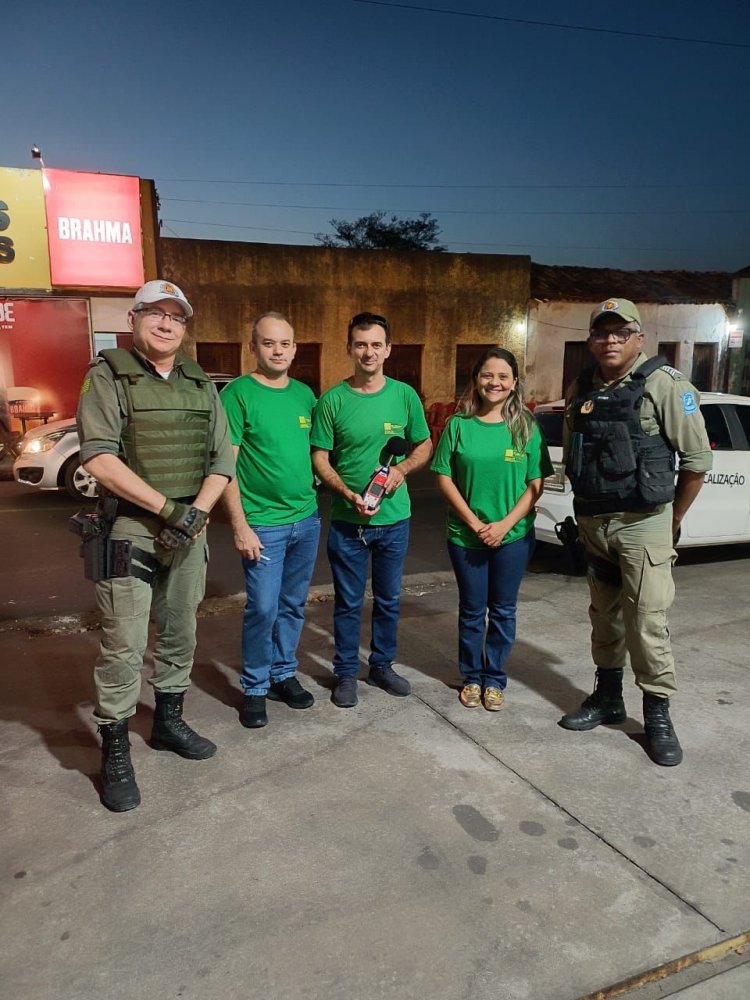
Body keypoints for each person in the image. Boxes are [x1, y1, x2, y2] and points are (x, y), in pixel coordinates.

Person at [76, 279, 234, 812]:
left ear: (185, 326)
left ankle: (168, 724)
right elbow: (98, 458)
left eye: (176, 316)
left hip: (188, 528)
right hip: (132, 530)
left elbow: (222, 459)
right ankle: (115, 751)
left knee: (181, 631)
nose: (166, 323)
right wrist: (168, 510)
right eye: (155, 313)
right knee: (123, 644)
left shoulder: (199, 382)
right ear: (134, 319)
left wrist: (195, 514)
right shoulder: (108, 375)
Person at [559, 297, 712, 766]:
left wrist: (672, 521)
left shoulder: (665, 385)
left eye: (620, 332)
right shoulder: (581, 385)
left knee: (646, 622)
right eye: (601, 333)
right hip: (594, 521)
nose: (610, 340)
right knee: (603, 617)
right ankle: (608, 698)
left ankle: (658, 715)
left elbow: (697, 462)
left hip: (644, 523)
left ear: (639, 338)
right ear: (590, 340)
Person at [311, 312, 432, 708]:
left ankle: (381, 665)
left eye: (376, 344)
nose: (368, 351)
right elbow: (320, 458)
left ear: (388, 349)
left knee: (388, 599)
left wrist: (400, 470)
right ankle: (346, 673)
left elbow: (424, 446)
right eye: (361, 344)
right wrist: (346, 493)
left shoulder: (404, 395)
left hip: (394, 520)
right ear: (350, 348)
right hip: (348, 523)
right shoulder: (332, 400)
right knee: (347, 603)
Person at [432, 347, 552, 711]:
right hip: (466, 537)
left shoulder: (526, 428)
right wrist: (474, 523)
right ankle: (471, 676)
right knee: (471, 610)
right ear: (476, 380)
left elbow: (536, 485)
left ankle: (495, 678)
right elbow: (443, 476)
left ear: (514, 383)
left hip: (512, 537)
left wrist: (503, 526)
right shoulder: (458, 425)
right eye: (487, 375)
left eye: (503, 376)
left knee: (502, 610)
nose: (494, 382)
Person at [220, 312, 319, 729]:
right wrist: (240, 526)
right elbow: (226, 464)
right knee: (262, 608)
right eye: (268, 343)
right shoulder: (238, 394)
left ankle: (282, 674)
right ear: (253, 348)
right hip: (263, 525)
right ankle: (256, 687)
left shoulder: (304, 395)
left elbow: (318, 452)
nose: (277, 351)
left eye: (285, 344)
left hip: (306, 519)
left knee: (293, 605)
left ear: (294, 348)